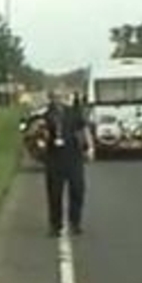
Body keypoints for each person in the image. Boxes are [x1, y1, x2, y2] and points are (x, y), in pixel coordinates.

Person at [43, 90, 95, 237]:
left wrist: (90, 147)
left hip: (73, 156)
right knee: (54, 194)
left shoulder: (73, 113)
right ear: (50, 99)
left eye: (60, 97)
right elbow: (39, 133)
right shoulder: (46, 115)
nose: (58, 100)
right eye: (54, 98)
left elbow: (84, 128)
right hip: (54, 158)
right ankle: (55, 225)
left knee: (77, 190)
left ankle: (75, 223)